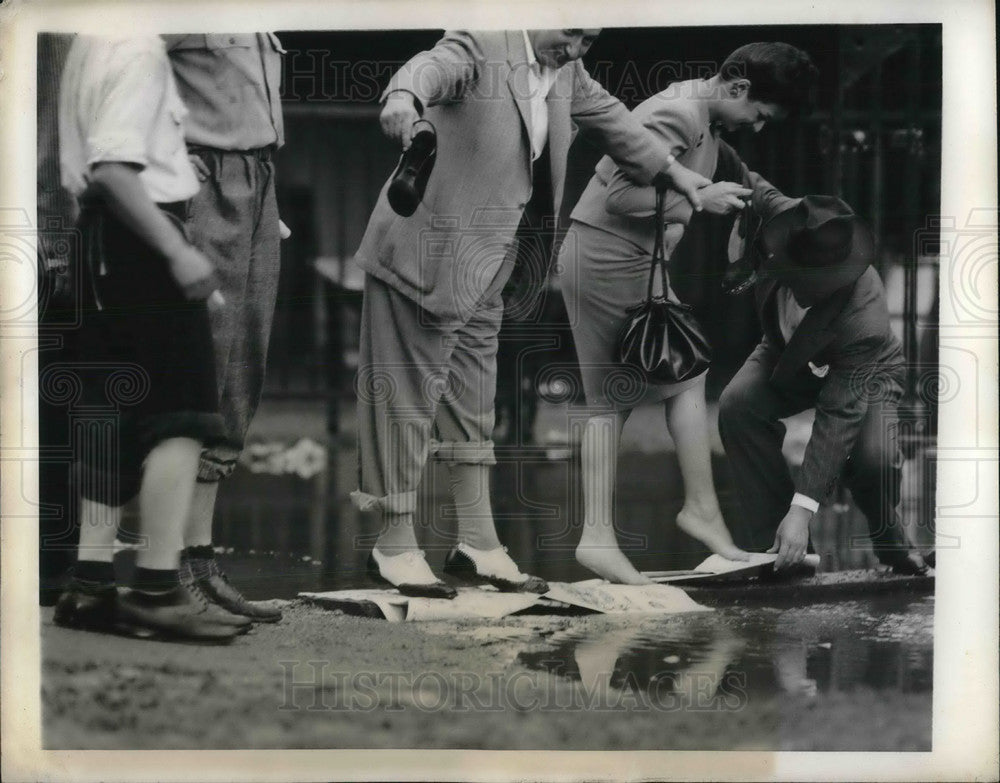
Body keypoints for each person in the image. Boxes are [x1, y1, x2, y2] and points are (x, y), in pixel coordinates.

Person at [353, 29, 712, 598]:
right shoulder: (484, 39)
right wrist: (402, 98)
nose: (578, 48)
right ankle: (393, 544)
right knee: (404, 395)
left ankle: (478, 544)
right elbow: (429, 65)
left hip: (491, 262)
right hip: (424, 253)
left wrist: (674, 172)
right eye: (571, 33)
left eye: (589, 39)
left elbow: (616, 120)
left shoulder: (566, 71)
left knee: (475, 399)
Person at [557, 42, 819, 584]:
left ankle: (695, 513)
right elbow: (620, 199)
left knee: (685, 374)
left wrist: (795, 217)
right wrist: (700, 200)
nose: (760, 128)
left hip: (633, 261)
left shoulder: (708, 119)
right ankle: (603, 537)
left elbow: (737, 180)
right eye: (761, 116)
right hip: (604, 254)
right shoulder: (679, 113)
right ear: (738, 89)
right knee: (616, 399)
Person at [53, 35, 250, 641]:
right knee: (185, 414)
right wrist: (176, 253)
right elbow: (115, 168)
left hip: (99, 240)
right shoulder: (137, 49)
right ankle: (158, 589)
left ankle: (89, 586)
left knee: (108, 416)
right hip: (143, 236)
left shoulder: (89, 42)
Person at [717, 185, 932, 576]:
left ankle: (888, 537)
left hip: (867, 370)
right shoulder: (785, 222)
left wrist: (803, 511)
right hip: (789, 352)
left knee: (873, 459)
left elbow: (837, 416)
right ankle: (782, 555)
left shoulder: (864, 320)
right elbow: (745, 178)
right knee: (737, 405)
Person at [162, 34, 287, 623]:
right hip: (200, 174)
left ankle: (200, 560)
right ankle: (165, 568)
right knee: (197, 365)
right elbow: (123, 68)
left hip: (256, 177)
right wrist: (162, 157)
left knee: (242, 368)